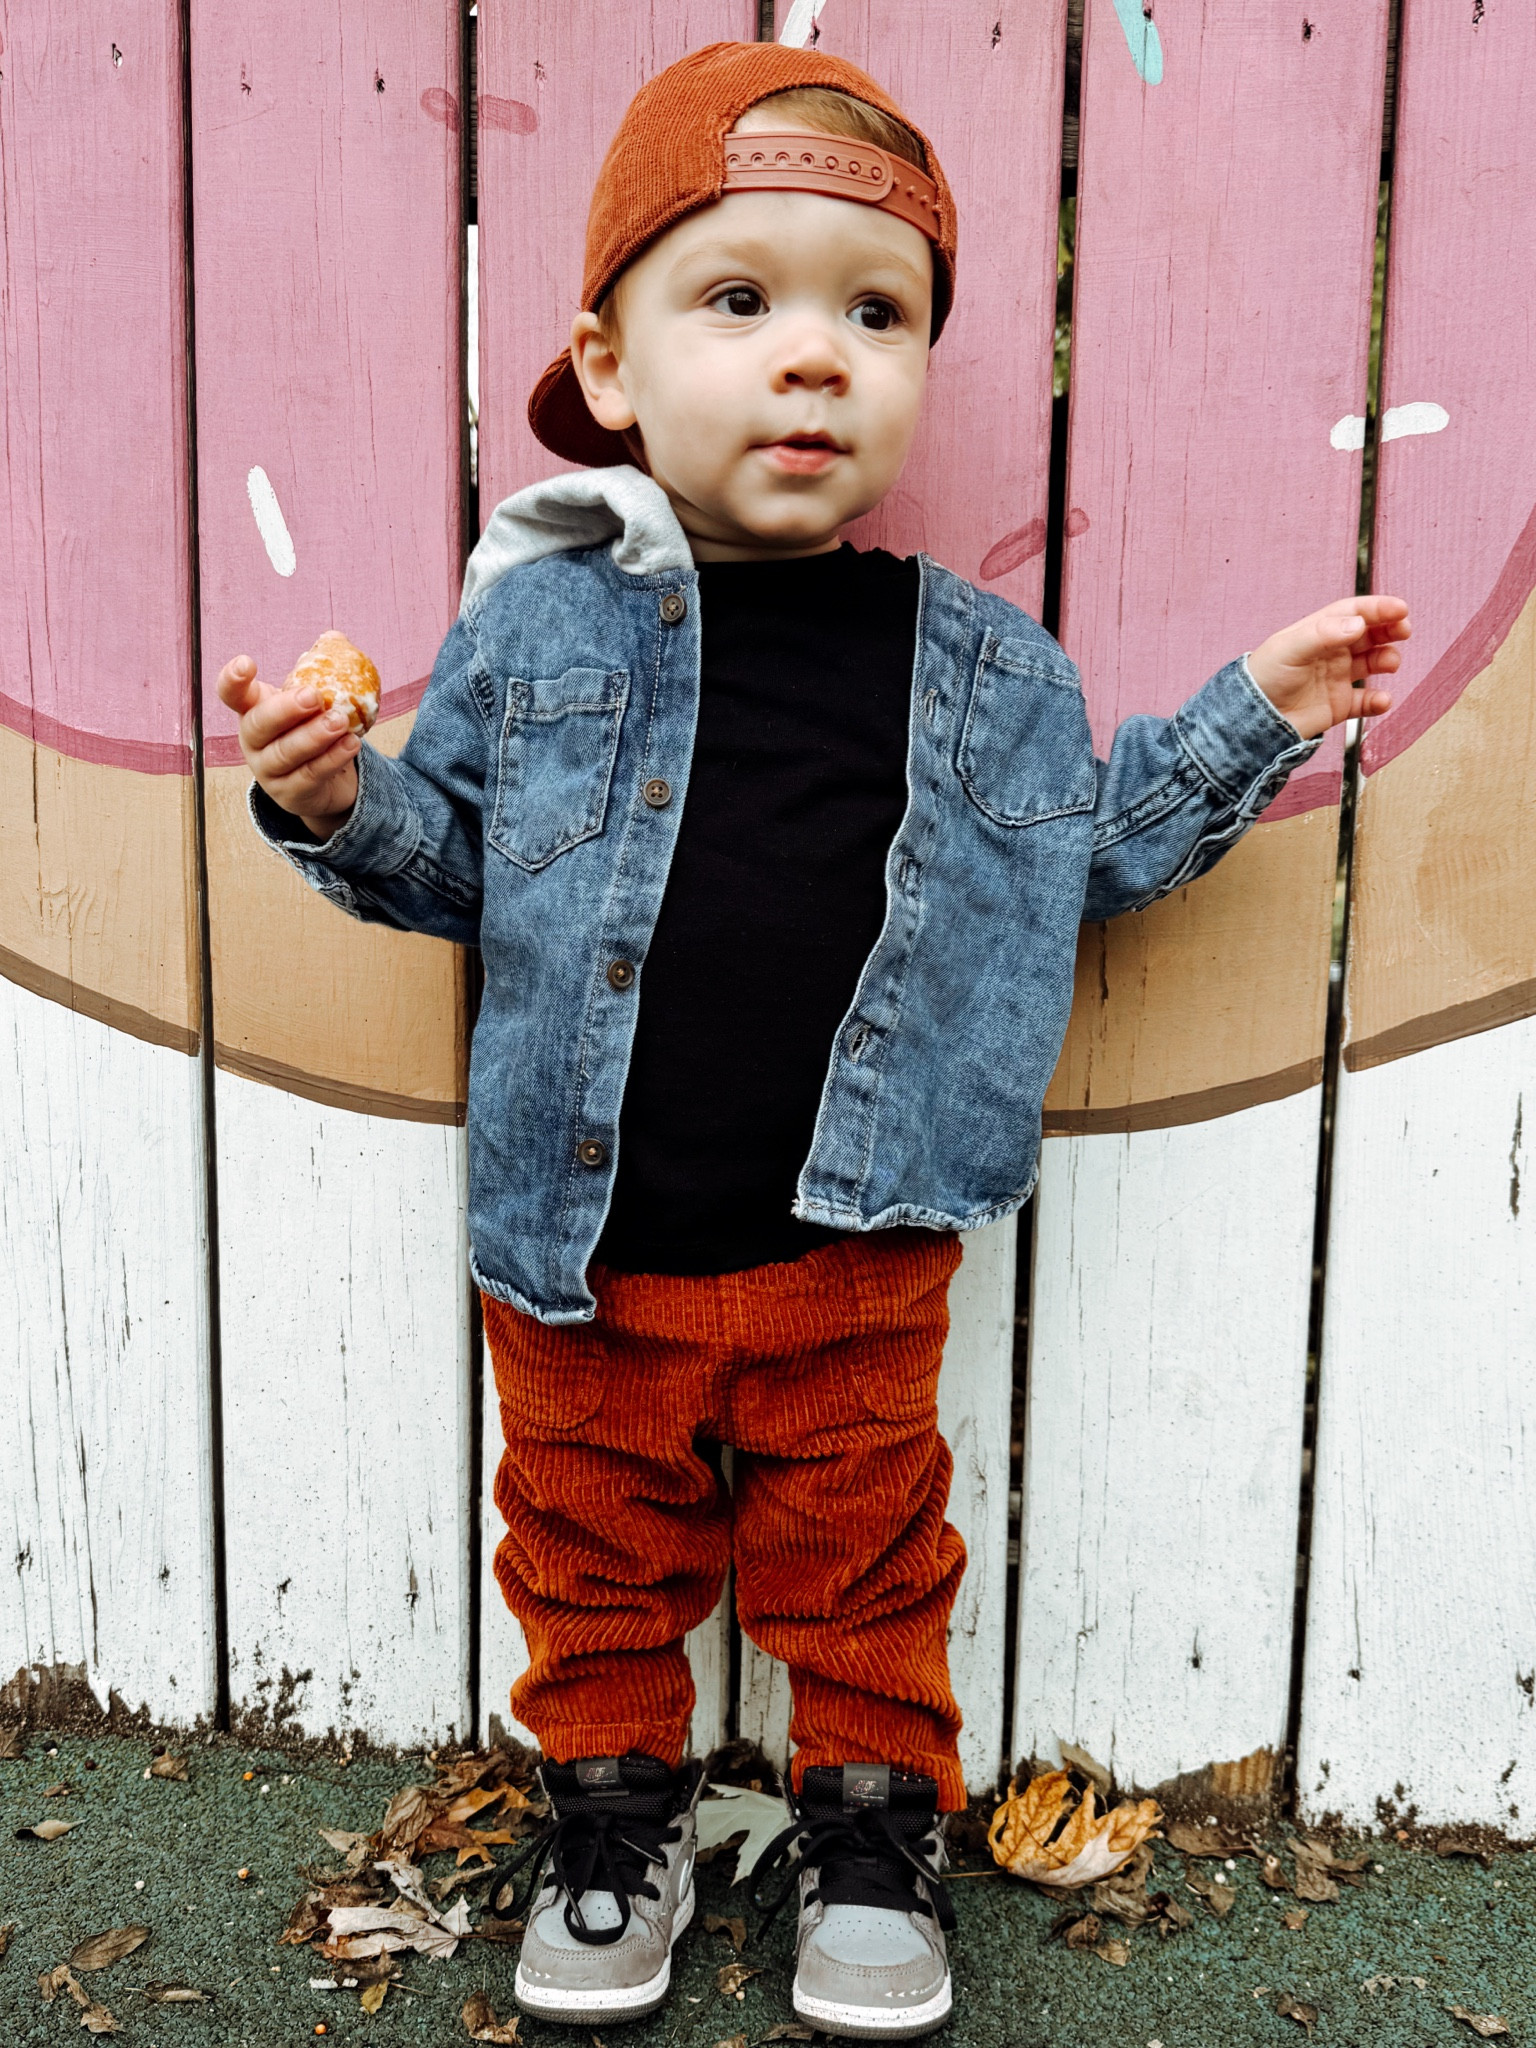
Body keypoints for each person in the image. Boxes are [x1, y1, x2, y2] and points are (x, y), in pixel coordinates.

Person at [215, 40, 1407, 2040]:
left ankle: (870, 1827)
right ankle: (614, 1815)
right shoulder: (534, 633)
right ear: (609, 367)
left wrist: (1252, 716)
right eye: (740, 299)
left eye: (875, 314)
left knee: (863, 1561)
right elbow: (459, 871)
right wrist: (336, 797)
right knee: (586, 1557)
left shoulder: (979, 663)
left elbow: (1088, 855)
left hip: (854, 1250)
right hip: (582, 1255)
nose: (812, 358)